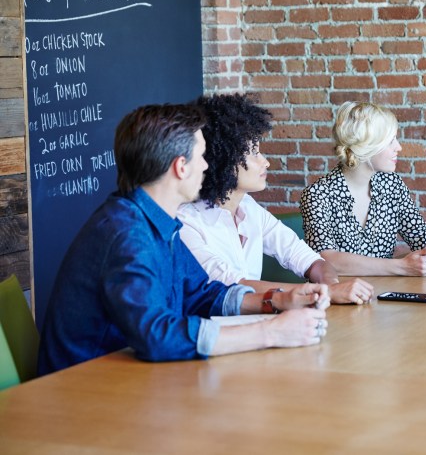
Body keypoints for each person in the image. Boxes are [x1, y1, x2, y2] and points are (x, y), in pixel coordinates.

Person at [38, 104, 329, 376]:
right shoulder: (126, 235)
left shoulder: (155, 222)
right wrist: (271, 332)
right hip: (87, 390)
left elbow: (201, 293)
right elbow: (156, 335)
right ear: (180, 167)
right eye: (201, 156)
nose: (207, 166)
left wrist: (275, 300)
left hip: (134, 380)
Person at [178, 93, 374, 304]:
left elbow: (309, 260)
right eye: (253, 153)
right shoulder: (186, 222)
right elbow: (230, 286)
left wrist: (331, 286)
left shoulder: (248, 207)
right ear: (222, 159)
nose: (266, 162)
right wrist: (322, 292)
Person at [300, 101, 426, 277]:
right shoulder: (317, 195)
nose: (399, 147)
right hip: (336, 297)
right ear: (367, 145)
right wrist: (401, 266)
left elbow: (423, 237)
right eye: (390, 141)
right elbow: (325, 259)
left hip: (385, 295)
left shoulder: (392, 184)